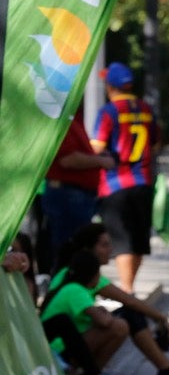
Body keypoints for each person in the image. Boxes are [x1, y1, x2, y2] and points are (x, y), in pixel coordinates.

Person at [51, 222, 169, 375]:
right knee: (122, 322)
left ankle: (166, 370)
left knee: (128, 315)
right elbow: (129, 301)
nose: (110, 249)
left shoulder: (76, 271)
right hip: (61, 349)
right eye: (104, 245)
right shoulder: (79, 276)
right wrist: (160, 318)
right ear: (88, 249)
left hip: (73, 343)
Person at [90, 62, 161, 294]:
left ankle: (126, 289)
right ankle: (129, 287)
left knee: (121, 242)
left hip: (114, 183)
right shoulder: (145, 109)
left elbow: (98, 146)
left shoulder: (109, 111)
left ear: (110, 86)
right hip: (142, 181)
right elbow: (156, 142)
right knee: (139, 241)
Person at [37, 108, 115, 276]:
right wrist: (101, 160)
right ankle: (65, 285)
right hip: (68, 195)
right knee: (68, 248)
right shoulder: (61, 118)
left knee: (74, 247)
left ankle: (73, 283)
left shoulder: (72, 117)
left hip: (76, 195)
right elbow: (67, 159)